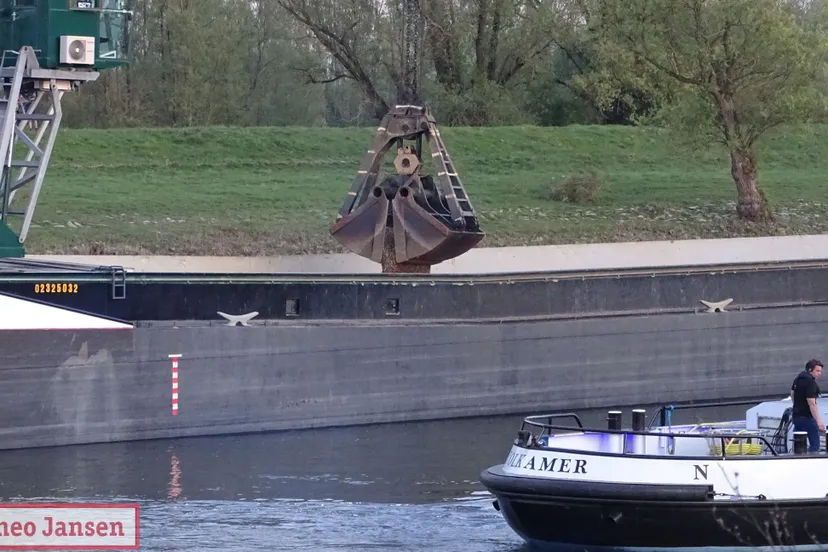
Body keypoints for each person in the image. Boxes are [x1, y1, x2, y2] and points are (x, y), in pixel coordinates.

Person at [790, 359, 824, 452]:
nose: (819, 373)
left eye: (820, 371)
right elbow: (812, 403)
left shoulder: (797, 379)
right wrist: (819, 421)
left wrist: (798, 405)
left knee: (799, 444)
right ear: (810, 370)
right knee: (815, 444)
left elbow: (792, 394)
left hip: (796, 416)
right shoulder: (811, 383)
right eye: (817, 371)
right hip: (807, 417)